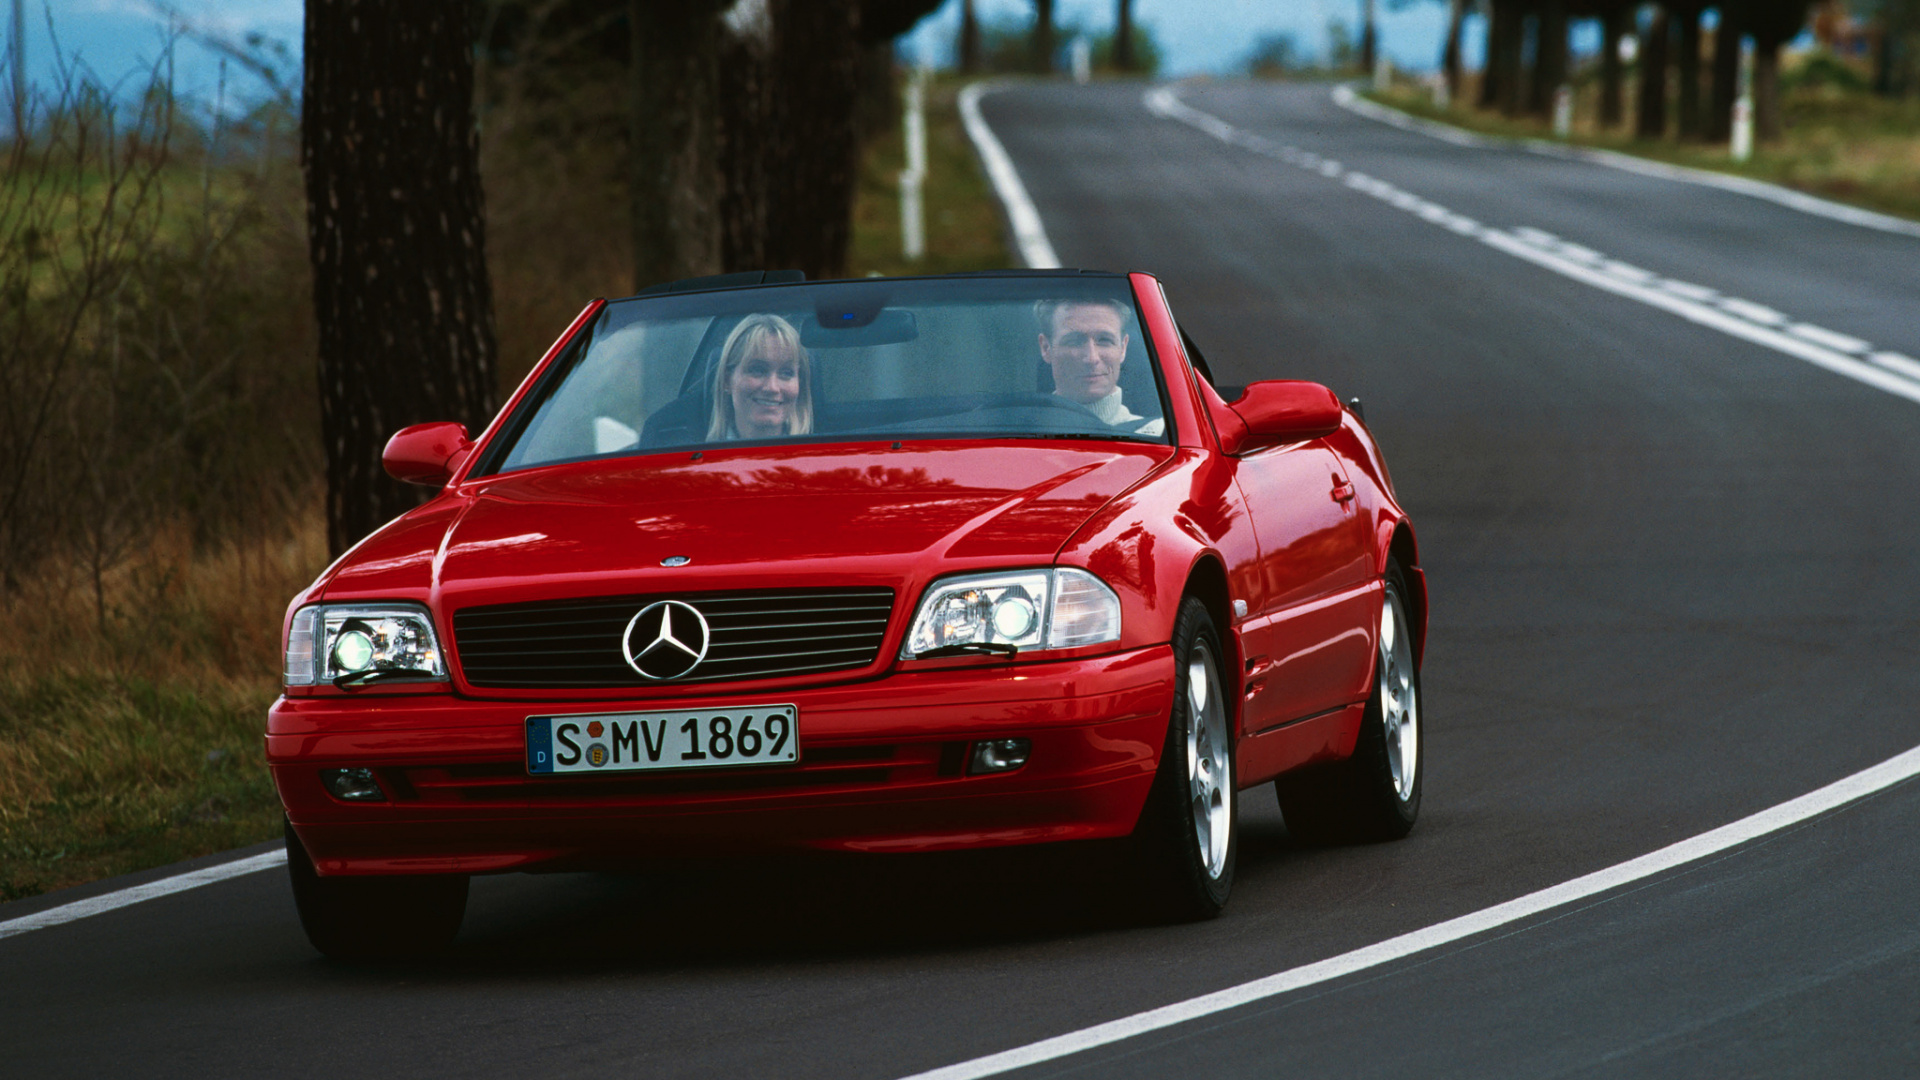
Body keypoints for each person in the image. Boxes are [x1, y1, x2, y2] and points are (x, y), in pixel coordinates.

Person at [1035, 298, 1163, 436]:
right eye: (1074, 341)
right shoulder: (1019, 433)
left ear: (1123, 348)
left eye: (1104, 340)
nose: (1092, 358)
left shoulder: (1159, 434)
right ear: (1046, 348)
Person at [707, 313, 814, 441]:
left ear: (799, 385)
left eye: (786, 373)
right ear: (727, 380)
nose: (772, 388)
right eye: (757, 370)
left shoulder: (819, 459)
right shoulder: (695, 457)